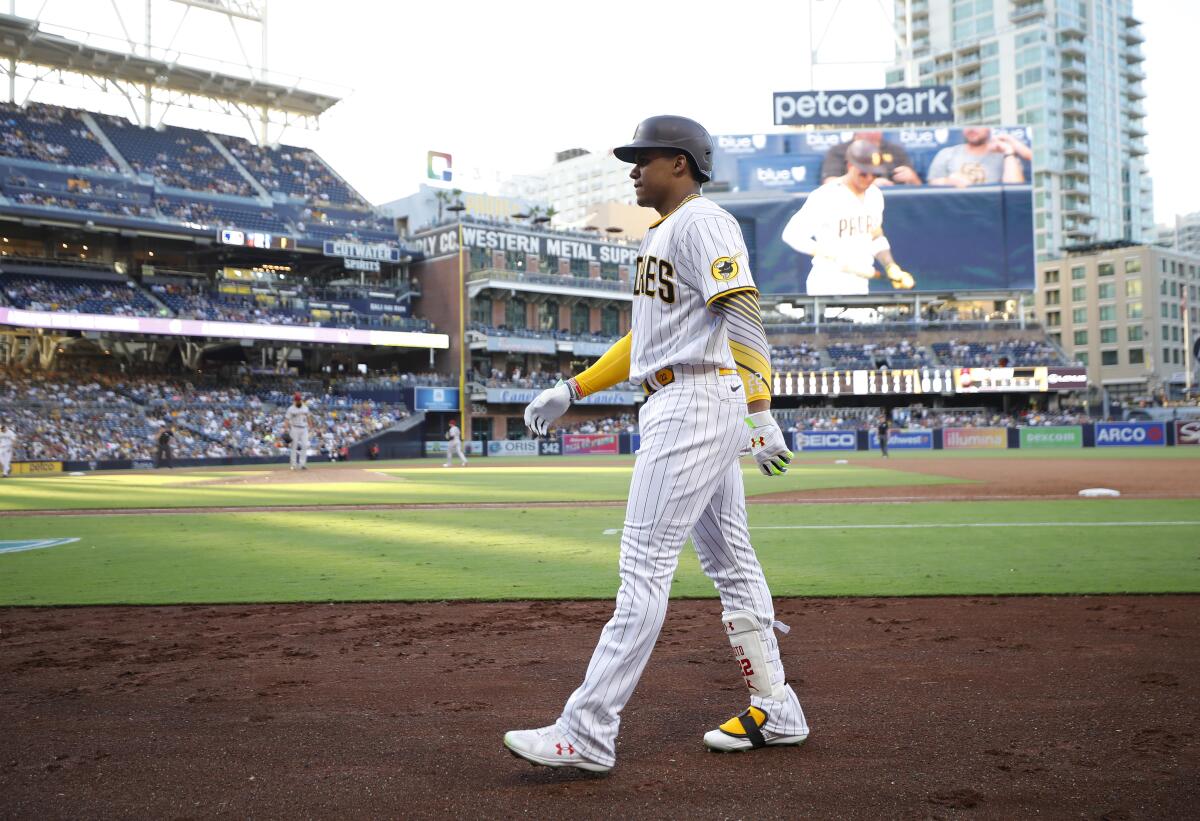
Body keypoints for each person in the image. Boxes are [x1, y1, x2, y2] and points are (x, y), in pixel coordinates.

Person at [504, 115, 808, 774]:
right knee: (732, 565)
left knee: (643, 569)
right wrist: (574, 388)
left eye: (643, 159)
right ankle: (776, 705)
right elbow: (646, 344)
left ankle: (587, 729)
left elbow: (743, 310)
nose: (633, 170)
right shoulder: (664, 234)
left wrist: (762, 409)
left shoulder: (702, 223)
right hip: (689, 397)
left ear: (679, 162)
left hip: (695, 403)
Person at [782, 139, 915, 296]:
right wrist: (830, 254)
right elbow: (791, 235)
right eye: (863, 173)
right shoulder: (826, 195)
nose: (869, 178)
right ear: (850, 166)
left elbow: (875, 237)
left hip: (861, 284)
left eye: (874, 174)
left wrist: (891, 266)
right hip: (827, 284)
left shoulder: (875, 195)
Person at [927, 127, 1032, 187]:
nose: (972, 129)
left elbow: (1014, 190)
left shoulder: (1005, 155)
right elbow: (932, 184)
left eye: (978, 125)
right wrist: (948, 181)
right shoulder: (947, 153)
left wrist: (1008, 152)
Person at [821, 131, 922, 186]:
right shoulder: (839, 151)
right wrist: (870, 183)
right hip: (853, 202)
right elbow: (830, 183)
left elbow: (918, 187)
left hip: (895, 203)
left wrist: (913, 178)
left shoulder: (896, 150)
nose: (873, 130)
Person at [284, 392, 311, 471]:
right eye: (297, 400)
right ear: (295, 400)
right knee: (294, 446)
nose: (299, 401)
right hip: (294, 428)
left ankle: (302, 464)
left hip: (304, 428)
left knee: (305, 445)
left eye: (300, 400)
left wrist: (311, 427)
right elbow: (287, 419)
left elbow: (309, 417)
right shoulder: (291, 409)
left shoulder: (305, 407)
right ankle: (293, 465)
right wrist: (286, 429)